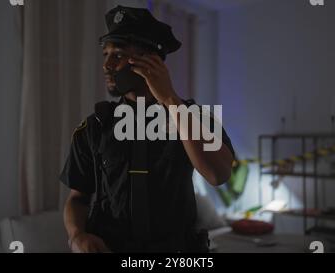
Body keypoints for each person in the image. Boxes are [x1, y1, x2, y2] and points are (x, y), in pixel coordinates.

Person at [60, 5, 235, 253]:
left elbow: (219, 175)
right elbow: (77, 198)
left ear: (150, 62)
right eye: (105, 54)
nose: (106, 65)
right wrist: (76, 235)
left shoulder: (193, 118)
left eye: (118, 55)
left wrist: (171, 99)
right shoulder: (95, 127)